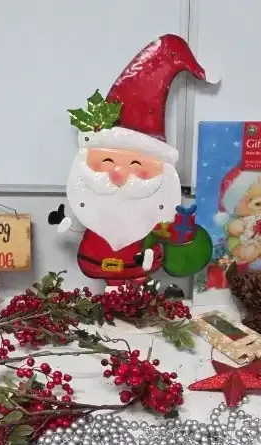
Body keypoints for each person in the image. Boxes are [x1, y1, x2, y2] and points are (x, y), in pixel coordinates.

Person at [50, 35, 215, 288]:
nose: (119, 175)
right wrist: (68, 225)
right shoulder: (95, 217)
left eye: (137, 167)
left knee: (139, 290)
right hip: (98, 264)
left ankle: (136, 296)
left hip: (140, 269)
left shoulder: (151, 223)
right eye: (106, 161)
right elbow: (83, 227)